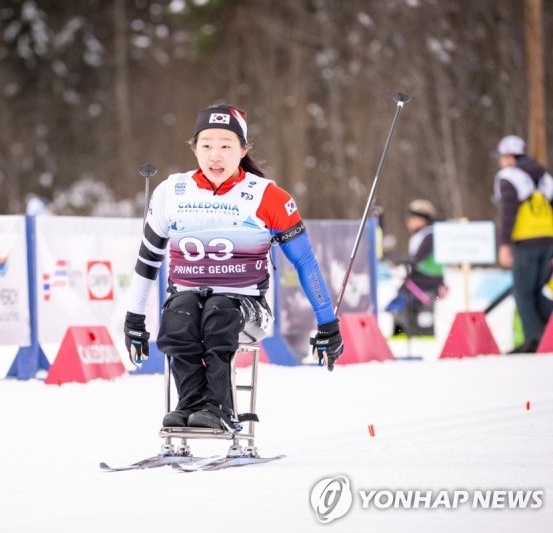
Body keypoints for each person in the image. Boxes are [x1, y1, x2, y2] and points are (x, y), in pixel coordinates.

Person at [122, 104, 343, 431]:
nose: (215, 156)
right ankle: (190, 404)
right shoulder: (171, 192)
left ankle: (219, 406)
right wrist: (134, 318)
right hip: (187, 301)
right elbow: (148, 258)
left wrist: (328, 325)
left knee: (217, 309)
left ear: (242, 150)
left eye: (226, 146)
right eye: (207, 145)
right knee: (179, 311)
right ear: (194, 148)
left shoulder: (266, 196)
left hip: (247, 307)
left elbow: (305, 261)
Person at [493, 135, 553, 353]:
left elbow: (509, 213)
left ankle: (534, 340)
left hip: (525, 241)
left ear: (509, 157)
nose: (500, 161)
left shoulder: (508, 176)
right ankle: (544, 336)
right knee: (536, 291)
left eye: (501, 156)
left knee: (523, 293)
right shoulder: (545, 176)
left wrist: (504, 244)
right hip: (548, 240)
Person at [386, 199, 446, 336]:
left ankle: (407, 333)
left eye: (412, 218)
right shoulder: (422, 235)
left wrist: (396, 259)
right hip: (420, 282)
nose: (408, 222)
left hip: (426, 283)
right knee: (401, 302)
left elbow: (418, 258)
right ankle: (405, 333)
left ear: (423, 219)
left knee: (402, 304)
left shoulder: (429, 235)